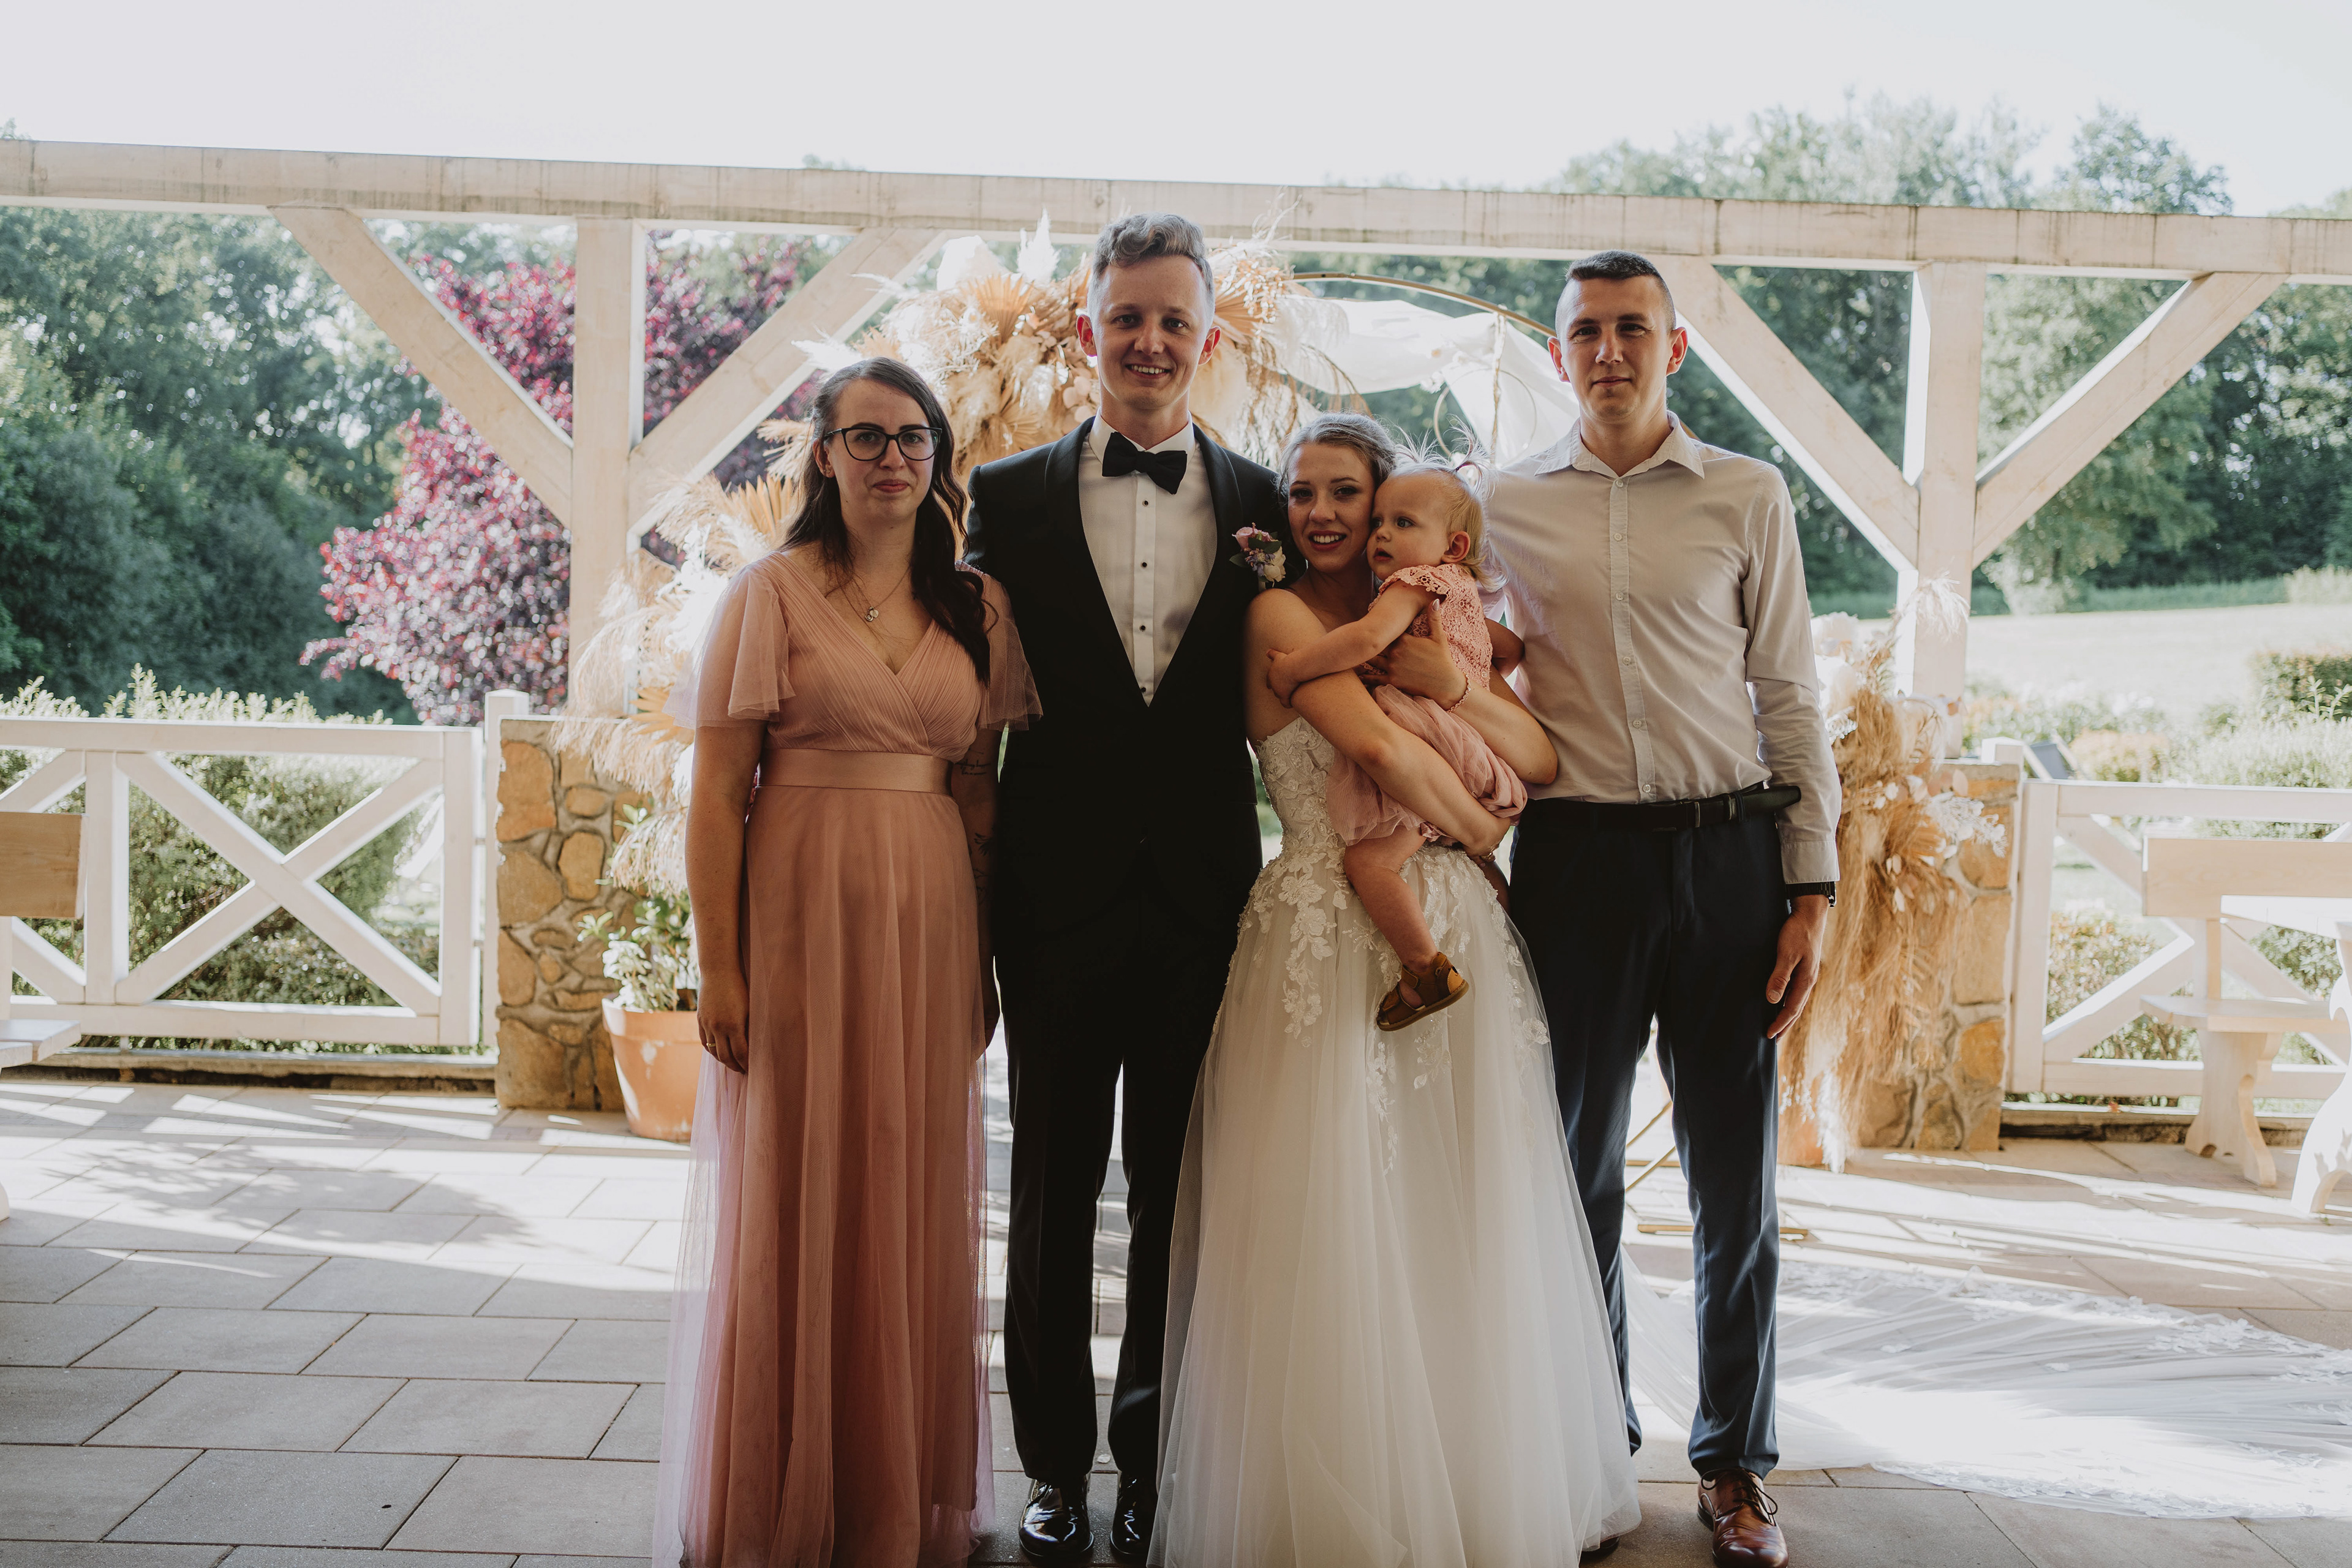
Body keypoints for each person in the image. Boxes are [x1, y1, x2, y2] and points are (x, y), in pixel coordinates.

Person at [1151, 412, 1641, 1567]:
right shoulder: (1279, 617)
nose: (1324, 514)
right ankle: (1336, 1498)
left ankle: (1472, 1482)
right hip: (1329, 921)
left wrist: (1453, 683)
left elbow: (1544, 757)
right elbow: (1375, 751)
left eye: (1347, 494)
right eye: (1303, 493)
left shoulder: (1429, 617)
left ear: (1388, 510)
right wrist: (1480, 830)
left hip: (1449, 915)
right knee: (1334, 1202)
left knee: (1459, 1197)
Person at [1487, 250, 1842, 1568]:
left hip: (1729, 863)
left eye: (1634, 328)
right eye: (1587, 330)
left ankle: (1735, 1465)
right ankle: (1593, 1453)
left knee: (1734, 1182)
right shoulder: (1501, 505)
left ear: (1674, 348)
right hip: (1575, 866)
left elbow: (1790, 694)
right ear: (1558, 351)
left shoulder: (1749, 494)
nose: (1610, 350)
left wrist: (1811, 883)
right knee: (1572, 1173)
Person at [652, 357, 1038, 1568]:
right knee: (795, 1182)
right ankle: (782, 1488)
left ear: (938, 456)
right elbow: (718, 791)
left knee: (907, 1185)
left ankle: (888, 1493)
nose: (891, 458)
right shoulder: (768, 594)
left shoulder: (975, 604)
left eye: (912, 437)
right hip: (799, 911)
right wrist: (720, 969)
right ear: (822, 454)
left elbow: (979, 793)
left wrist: (982, 961)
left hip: (930, 920)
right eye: (865, 437)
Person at [962, 213, 1292, 1564]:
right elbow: (965, 707)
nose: (1149, 341)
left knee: (1178, 1194)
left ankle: (1155, 1463)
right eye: (1126, 317)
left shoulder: (1269, 502)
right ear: (1086, 329)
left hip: (1205, 898)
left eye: (1173, 320)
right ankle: (1052, 1466)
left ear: (1208, 336)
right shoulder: (1004, 497)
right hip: (1054, 896)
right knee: (1049, 1192)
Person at [1267, 461, 1527, 1031]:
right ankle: (1499, 932)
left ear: (1453, 546)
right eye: (1380, 521)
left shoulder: (1413, 584)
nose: (1382, 533)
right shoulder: (1462, 594)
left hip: (1431, 741)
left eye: (1403, 523)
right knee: (1472, 859)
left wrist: (1293, 670)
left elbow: (1365, 638)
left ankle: (1425, 969)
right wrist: (1470, 672)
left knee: (1369, 860)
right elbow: (1510, 647)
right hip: (1468, 745)